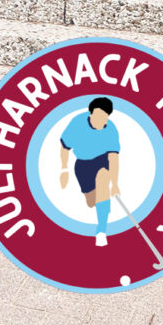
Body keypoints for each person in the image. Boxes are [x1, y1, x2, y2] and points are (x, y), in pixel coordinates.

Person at [59, 97, 120, 247]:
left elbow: (113, 158)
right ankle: (98, 204)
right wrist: (64, 169)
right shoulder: (77, 123)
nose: (102, 121)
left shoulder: (111, 129)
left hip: (102, 160)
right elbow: (65, 147)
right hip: (83, 165)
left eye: (105, 117)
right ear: (91, 114)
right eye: (98, 116)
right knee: (91, 202)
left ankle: (101, 231)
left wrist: (115, 183)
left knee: (103, 185)